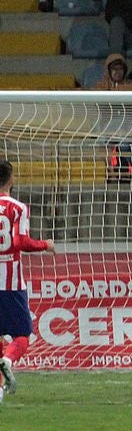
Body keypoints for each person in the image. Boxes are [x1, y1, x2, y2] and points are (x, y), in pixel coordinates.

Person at [0, 160, 55, 402]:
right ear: (11, 180)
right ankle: (8, 361)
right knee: (22, 334)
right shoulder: (18, 208)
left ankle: (0, 389)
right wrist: (46, 245)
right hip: (10, 283)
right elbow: (21, 242)